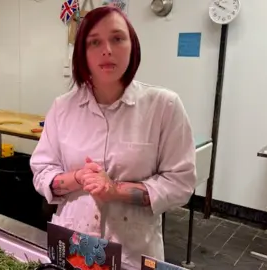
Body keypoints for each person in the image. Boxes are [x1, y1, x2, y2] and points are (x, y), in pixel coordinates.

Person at [30, 6, 196, 269]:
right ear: (82, 54)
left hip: (133, 249)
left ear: (133, 46)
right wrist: (78, 178)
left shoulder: (163, 106)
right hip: (75, 243)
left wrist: (114, 190)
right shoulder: (63, 107)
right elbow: (41, 171)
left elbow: (180, 183)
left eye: (117, 38)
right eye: (94, 42)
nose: (106, 49)